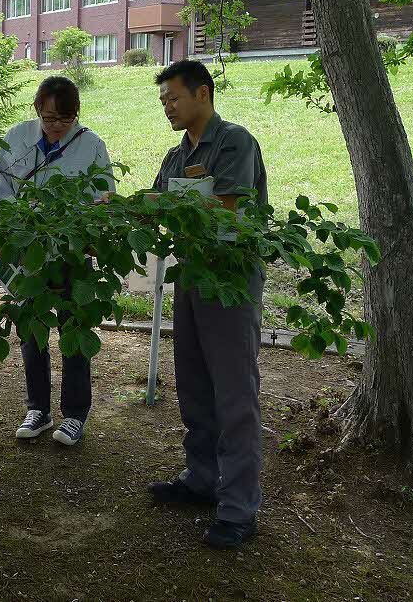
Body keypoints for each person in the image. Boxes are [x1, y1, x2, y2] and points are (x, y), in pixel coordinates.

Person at [146, 59, 268, 551]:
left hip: (230, 279)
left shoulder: (235, 141)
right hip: (191, 275)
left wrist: (173, 202)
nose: (168, 108)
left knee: (235, 394)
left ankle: (238, 507)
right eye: (163, 102)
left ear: (202, 93)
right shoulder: (178, 156)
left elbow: (228, 206)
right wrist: (113, 210)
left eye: (174, 98)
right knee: (195, 383)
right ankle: (202, 479)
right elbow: (154, 203)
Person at [0, 75, 114, 448]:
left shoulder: (91, 144)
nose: (57, 126)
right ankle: (38, 409)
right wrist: (20, 225)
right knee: (32, 329)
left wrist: (92, 217)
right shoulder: (16, 139)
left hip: (73, 253)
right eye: (50, 118)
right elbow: (0, 187)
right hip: (30, 252)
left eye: (66, 119)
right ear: (37, 111)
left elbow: (105, 192)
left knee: (74, 330)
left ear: (77, 115)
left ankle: (75, 414)